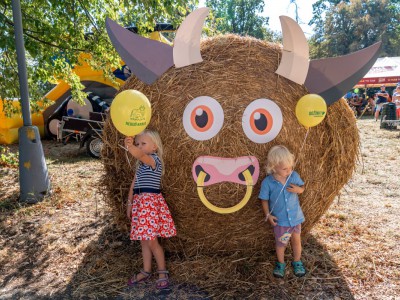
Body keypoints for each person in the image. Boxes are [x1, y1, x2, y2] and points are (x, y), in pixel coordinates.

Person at [124, 129, 177, 289]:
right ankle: (146, 271)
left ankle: (162, 272)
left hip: (150, 204)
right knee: (144, 241)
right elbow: (134, 184)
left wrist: (130, 147)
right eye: (137, 143)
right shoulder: (140, 165)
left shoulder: (154, 160)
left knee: (152, 241)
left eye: (143, 144)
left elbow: (140, 155)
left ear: (154, 147)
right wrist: (129, 203)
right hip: (140, 204)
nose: (139, 146)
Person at [258, 145, 306, 278]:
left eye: (290, 167)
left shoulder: (293, 176)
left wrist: (299, 190)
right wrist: (268, 214)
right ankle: (281, 263)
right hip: (281, 221)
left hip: (295, 218)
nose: (289, 170)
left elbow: (302, 187)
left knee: (296, 240)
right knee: (281, 243)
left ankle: (297, 261)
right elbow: (264, 200)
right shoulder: (268, 182)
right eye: (285, 168)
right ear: (273, 166)